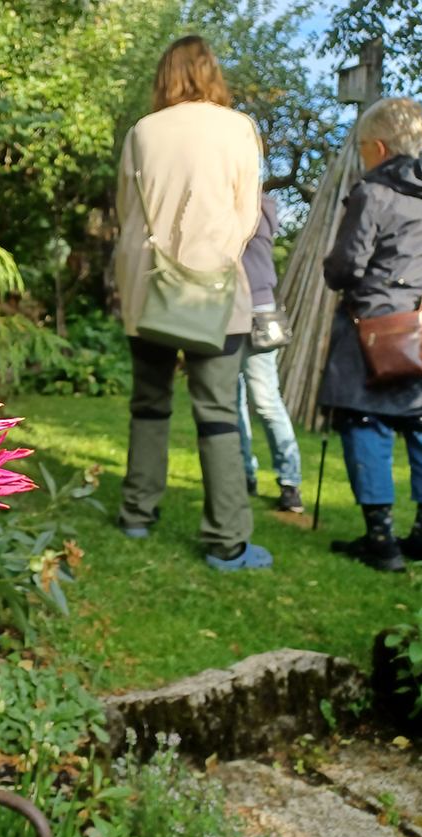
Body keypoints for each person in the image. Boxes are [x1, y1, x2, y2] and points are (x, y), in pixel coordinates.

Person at [115, 35, 271, 570]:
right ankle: (226, 541)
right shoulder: (238, 127)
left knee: (149, 404)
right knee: (218, 412)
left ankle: (136, 513)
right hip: (215, 292)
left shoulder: (142, 132)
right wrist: (211, 255)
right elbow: (247, 216)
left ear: (166, 75)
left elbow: (127, 212)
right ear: (211, 72)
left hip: (148, 290)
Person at [321, 97, 422, 572]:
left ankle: (381, 541)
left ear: (381, 147)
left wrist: (335, 266)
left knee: (365, 421)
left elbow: (345, 269)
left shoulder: (372, 194)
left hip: (379, 335)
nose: (363, 156)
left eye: (364, 147)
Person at [237, 192, 304, 512]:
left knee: (265, 401)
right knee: (230, 401)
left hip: (256, 308)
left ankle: (290, 482)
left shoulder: (257, 203)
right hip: (224, 306)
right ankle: (242, 475)